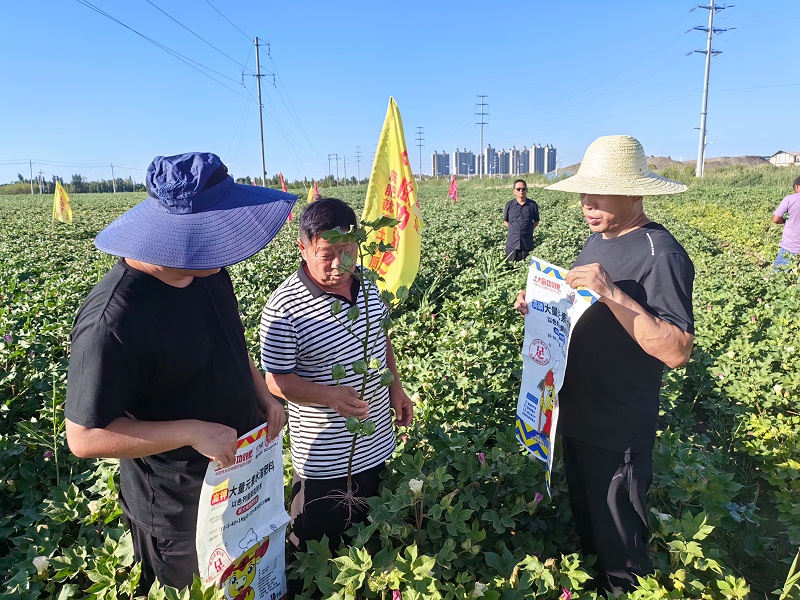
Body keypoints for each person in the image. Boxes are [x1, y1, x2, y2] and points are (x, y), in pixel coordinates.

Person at [64, 152, 296, 592]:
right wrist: (192, 431)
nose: (226, 247)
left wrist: (261, 391)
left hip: (242, 479)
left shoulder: (206, 270)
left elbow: (227, 342)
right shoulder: (115, 321)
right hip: (179, 510)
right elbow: (83, 437)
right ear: (178, 236)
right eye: (216, 233)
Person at [514, 135, 694, 594]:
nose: (586, 203)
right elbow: (585, 310)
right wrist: (541, 304)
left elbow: (676, 350)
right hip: (575, 420)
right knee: (590, 535)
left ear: (634, 192)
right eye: (583, 193)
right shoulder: (598, 240)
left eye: (599, 193)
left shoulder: (663, 255)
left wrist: (613, 292)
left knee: (622, 558)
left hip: (617, 430)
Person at [259, 197, 413, 559]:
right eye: (326, 253)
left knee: (370, 545)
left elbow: (381, 338)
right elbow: (275, 380)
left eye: (348, 251)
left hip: (374, 446)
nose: (338, 264)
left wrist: (396, 388)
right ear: (303, 247)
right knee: (317, 555)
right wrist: (328, 395)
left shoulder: (369, 285)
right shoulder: (283, 308)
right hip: (324, 463)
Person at [504, 178, 540, 262]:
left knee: (526, 266)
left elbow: (536, 221)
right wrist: (514, 229)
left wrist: (527, 229)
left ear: (526, 190)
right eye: (518, 189)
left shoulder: (532, 204)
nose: (521, 191)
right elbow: (505, 221)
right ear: (514, 191)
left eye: (523, 189)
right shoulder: (509, 205)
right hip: (512, 242)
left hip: (527, 242)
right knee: (510, 266)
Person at [771, 176, 800, 268]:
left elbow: (775, 219)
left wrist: (784, 219)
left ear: (797, 186)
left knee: (776, 278)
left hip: (791, 247)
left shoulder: (790, 199)